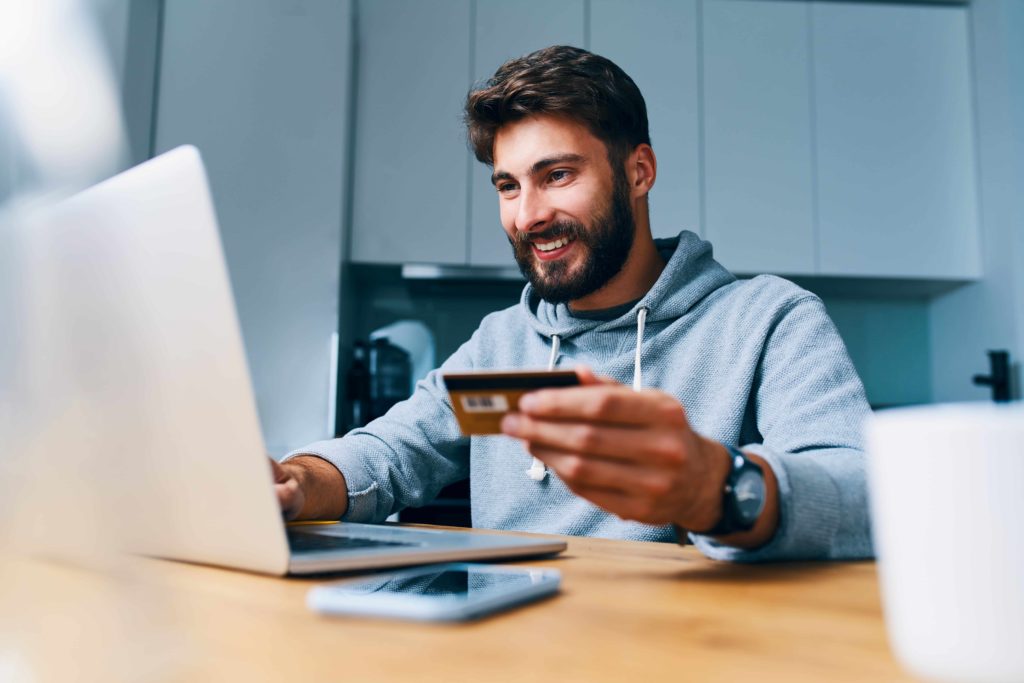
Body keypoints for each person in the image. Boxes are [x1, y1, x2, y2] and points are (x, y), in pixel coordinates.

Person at [271, 45, 872, 561]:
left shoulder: (767, 320)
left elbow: (866, 495)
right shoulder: (499, 343)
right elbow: (391, 452)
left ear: (638, 172)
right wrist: (296, 481)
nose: (529, 215)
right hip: (514, 646)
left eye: (556, 174)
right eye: (509, 186)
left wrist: (716, 486)